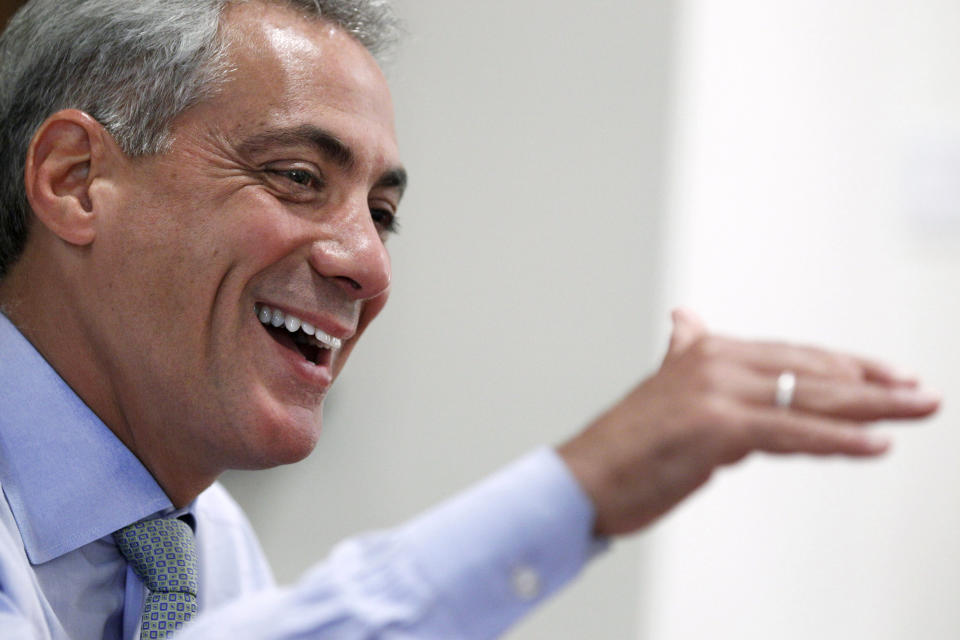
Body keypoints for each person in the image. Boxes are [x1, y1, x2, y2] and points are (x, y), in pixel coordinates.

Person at [0, 0, 940, 638]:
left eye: (383, 213)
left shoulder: (200, 543)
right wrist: (583, 487)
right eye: (298, 178)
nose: (367, 263)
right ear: (77, 180)